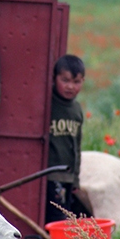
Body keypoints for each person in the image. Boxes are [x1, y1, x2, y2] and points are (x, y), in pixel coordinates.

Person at [46, 54, 94, 223]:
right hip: (50, 175)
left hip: (67, 177)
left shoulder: (76, 110)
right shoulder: (48, 104)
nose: (70, 87)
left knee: (65, 216)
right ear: (54, 78)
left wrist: (75, 179)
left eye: (76, 82)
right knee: (55, 217)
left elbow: (76, 147)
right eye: (65, 80)